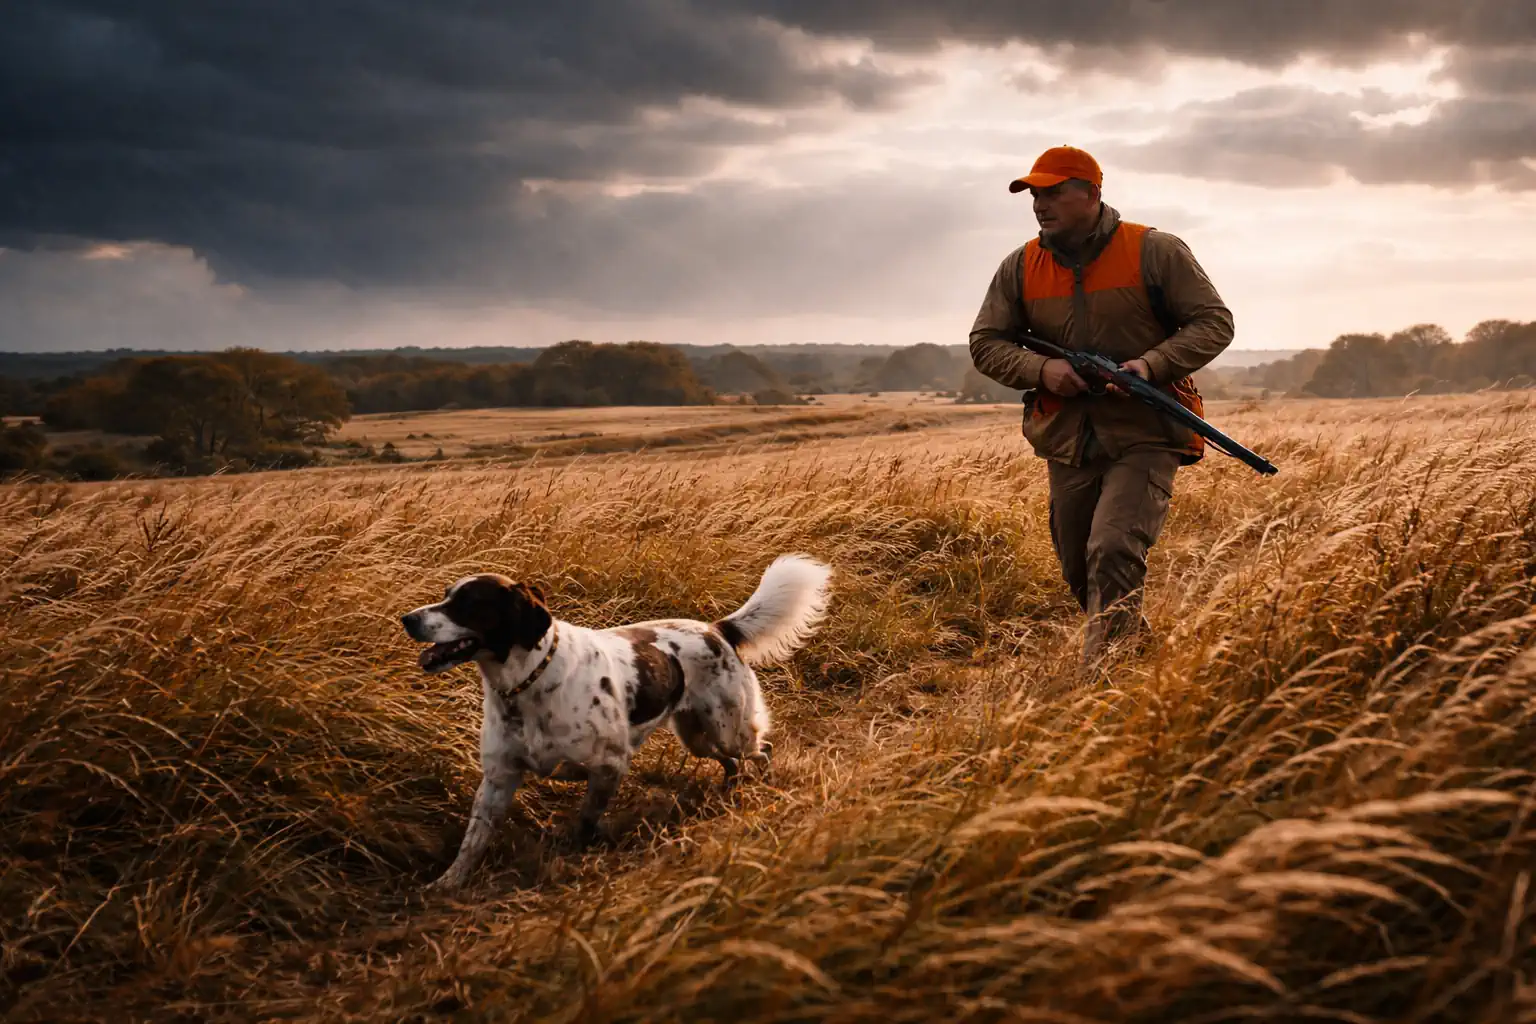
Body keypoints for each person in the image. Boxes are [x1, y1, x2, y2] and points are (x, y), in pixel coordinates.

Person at [968, 145, 1234, 669]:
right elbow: (986, 343)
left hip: (1147, 429)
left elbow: (1214, 322)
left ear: (1091, 193)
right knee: (1078, 566)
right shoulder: (1021, 265)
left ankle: (1103, 685)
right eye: (1034, 195)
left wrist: (1151, 366)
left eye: (1053, 192)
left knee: (1112, 548)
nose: (1040, 204)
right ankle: (1140, 654)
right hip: (1068, 437)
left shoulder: (1154, 250)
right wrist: (1043, 371)